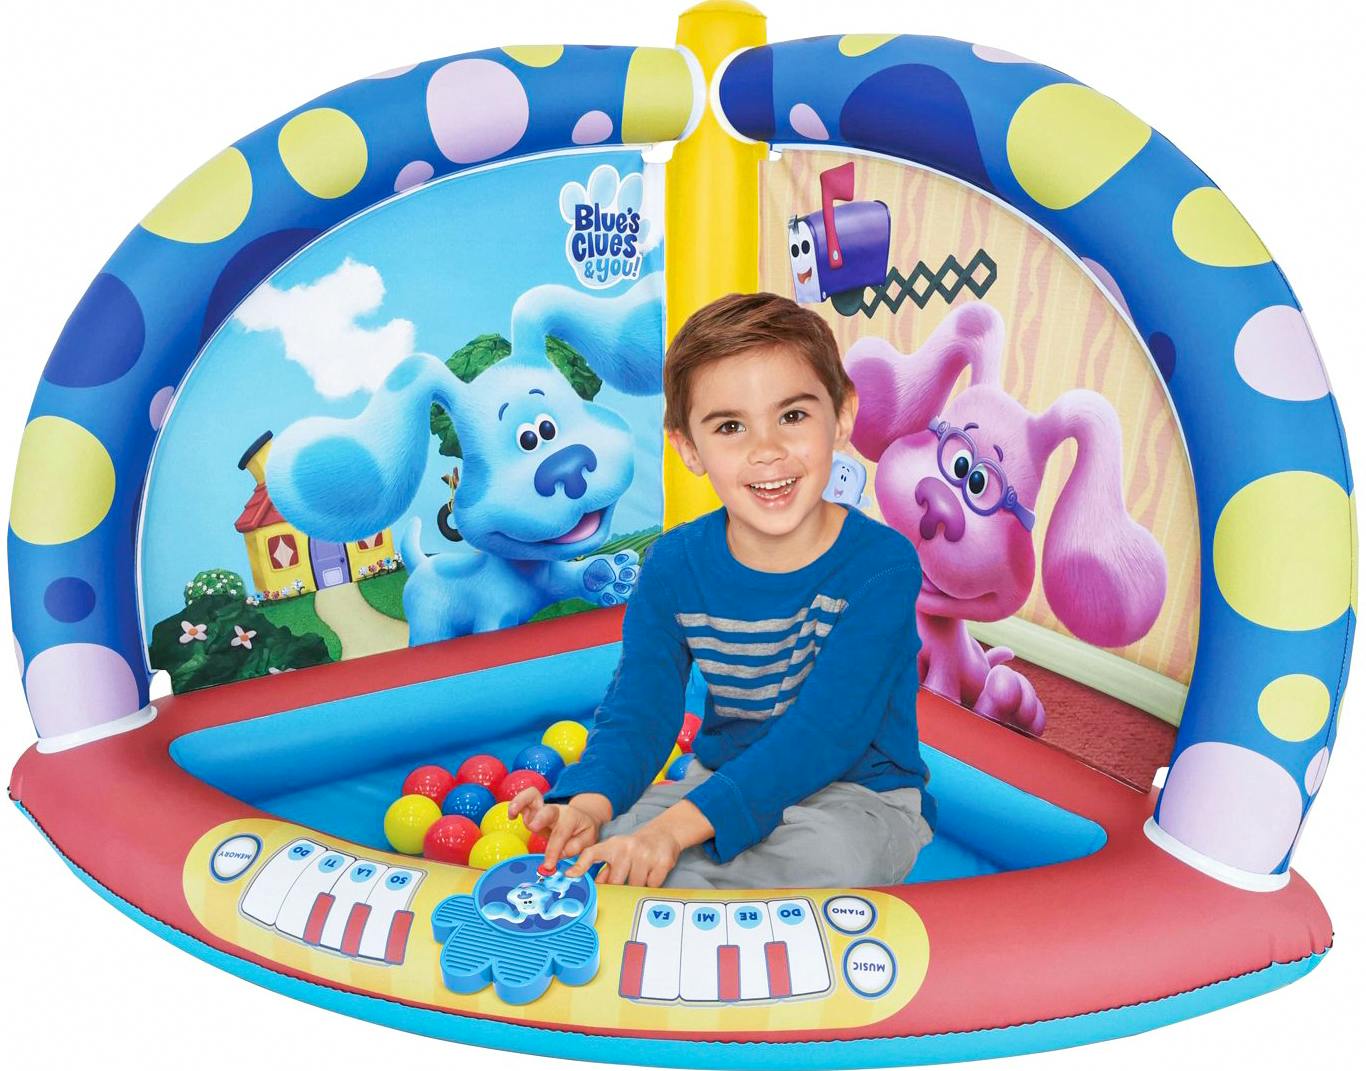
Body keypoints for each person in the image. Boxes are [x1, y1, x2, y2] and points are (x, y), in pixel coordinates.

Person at [509, 292, 933, 888]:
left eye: (792, 416)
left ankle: (693, 894)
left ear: (841, 415)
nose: (767, 451)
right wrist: (589, 803)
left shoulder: (881, 566)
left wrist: (672, 832)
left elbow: (826, 733)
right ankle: (687, 885)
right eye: (731, 427)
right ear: (689, 447)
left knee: (833, 860)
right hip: (717, 782)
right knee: (609, 846)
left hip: (857, 797)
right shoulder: (674, 565)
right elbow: (641, 709)